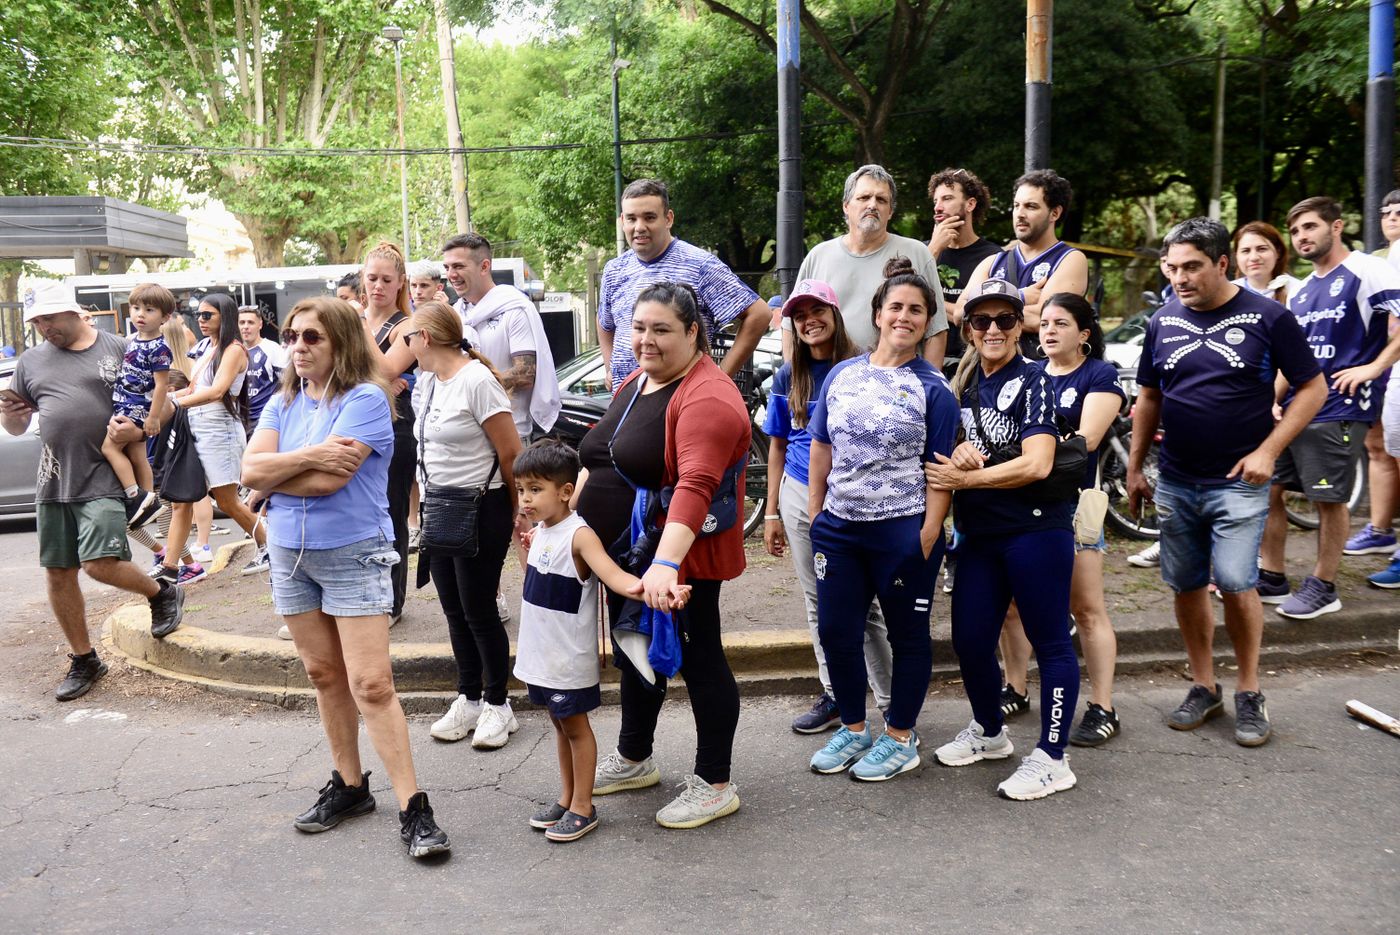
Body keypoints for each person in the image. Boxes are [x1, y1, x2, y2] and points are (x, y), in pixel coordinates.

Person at [241, 295, 449, 858]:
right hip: (289, 554)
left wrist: (273, 475)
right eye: (292, 336)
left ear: (340, 343)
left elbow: (328, 484)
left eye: (313, 337)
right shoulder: (283, 402)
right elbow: (247, 469)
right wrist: (305, 459)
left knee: (372, 685)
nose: (299, 347)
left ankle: (413, 808)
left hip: (355, 552)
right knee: (322, 675)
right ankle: (351, 787)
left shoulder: (365, 400)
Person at [1127, 217, 1326, 747]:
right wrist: (1134, 465)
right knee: (1186, 583)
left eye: (1191, 266)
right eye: (1171, 268)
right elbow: (1149, 396)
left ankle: (1249, 690)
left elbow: (1313, 388)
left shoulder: (1269, 317)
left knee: (1237, 582)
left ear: (1222, 263)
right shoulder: (1163, 319)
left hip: (1239, 480)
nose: (1179, 279)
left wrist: (1269, 450)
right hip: (1175, 480)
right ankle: (1203, 684)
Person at [580, 281, 751, 829]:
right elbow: (604, 457)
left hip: (681, 555)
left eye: (661, 330)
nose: (645, 340)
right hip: (634, 550)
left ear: (693, 332)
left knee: (701, 660)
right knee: (637, 650)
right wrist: (564, 525)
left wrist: (664, 564)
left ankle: (715, 782)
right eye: (638, 327)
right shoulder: (638, 379)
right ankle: (635, 757)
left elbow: (696, 486)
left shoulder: (708, 397)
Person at [923, 278, 1080, 800]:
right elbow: (960, 450)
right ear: (967, 329)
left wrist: (964, 478)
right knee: (970, 640)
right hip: (980, 535)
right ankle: (990, 733)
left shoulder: (1035, 379)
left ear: (1020, 327)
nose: (993, 329)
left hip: (1035, 530)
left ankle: (1053, 758)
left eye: (1005, 320)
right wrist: (964, 454)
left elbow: (1037, 464)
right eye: (981, 320)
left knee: (1051, 641)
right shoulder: (962, 384)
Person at [805, 258, 958, 781]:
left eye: (916, 310)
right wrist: (816, 512)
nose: (904, 316)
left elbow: (940, 470)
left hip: (902, 528)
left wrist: (928, 532)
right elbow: (821, 445)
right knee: (836, 631)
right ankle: (852, 727)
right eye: (895, 306)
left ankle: (900, 735)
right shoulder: (843, 375)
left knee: (907, 634)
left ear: (926, 321)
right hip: (839, 529)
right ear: (876, 314)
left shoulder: (934, 388)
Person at [2, 281, 185, 701]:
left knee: (100, 563)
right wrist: (10, 413)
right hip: (54, 480)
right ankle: (85, 658)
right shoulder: (30, 362)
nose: (45, 327)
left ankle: (162, 592)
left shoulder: (122, 346)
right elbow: (15, 426)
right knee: (58, 571)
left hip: (106, 473)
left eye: (50, 317)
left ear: (74, 312)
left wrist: (140, 427)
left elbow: (168, 400)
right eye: (37, 321)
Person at [512, 440, 690, 842]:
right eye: (522, 489)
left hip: (566, 657)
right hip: (540, 653)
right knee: (559, 726)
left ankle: (583, 807)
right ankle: (566, 797)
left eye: (535, 489)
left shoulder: (580, 535)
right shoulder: (543, 530)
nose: (526, 498)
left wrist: (656, 590)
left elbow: (616, 578)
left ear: (565, 492)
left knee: (575, 728)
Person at [762, 279, 894, 734]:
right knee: (818, 600)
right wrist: (772, 512)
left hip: (853, 494)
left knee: (868, 606)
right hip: (800, 493)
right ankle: (836, 695)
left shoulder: (863, 366)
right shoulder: (787, 376)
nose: (809, 321)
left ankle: (892, 700)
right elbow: (777, 446)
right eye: (800, 316)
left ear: (835, 315)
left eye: (817, 311)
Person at [1258, 197, 1400, 618]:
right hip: (1298, 405)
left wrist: (1373, 367)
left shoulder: (1368, 270)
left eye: (1310, 227)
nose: (1302, 236)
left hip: (1340, 405)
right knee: (1268, 488)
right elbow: (1297, 357)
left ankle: (1323, 585)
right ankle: (1273, 576)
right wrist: (1274, 397)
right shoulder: (1302, 291)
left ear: (1336, 227)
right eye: (1297, 230)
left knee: (1328, 499)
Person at [998, 294, 1126, 747]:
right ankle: (1014, 688)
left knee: (1085, 609)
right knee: (1011, 606)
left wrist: (1028, 450)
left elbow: (1084, 443)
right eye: (1045, 323)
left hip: (1072, 509)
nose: (1049, 331)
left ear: (1084, 333)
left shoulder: (1099, 375)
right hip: (1017, 504)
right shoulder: (1027, 372)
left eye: (1062, 323)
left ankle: (1103, 706)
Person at [407, 301, 527, 749]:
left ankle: (499, 704)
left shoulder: (476, 380)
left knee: (478, 610)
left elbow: (510, 453)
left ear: (428, 338)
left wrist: (518, 512)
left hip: (482, 506)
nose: (405, 345)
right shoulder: (430, 380)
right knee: (454, 610)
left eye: (408, 337)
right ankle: (469, 696)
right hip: (442, 507)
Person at [598, 178, 770, 391]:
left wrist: (719, 379)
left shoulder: (700, 265)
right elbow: (605, 324)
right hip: (625, 399)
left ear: (668, 219)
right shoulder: (614, 270)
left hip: (681, 402)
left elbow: (760, 314)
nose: (639, 227)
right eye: (632, 219)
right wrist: (610, 368)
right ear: (622, 221)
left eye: (649, 217)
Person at [156, 294, 268, 583]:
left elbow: (218, 391)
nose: (202, 321)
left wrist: (175, 403)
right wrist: (161, 401)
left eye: (208, 316)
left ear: (224, 317)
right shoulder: (208, 348)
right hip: (197, 428)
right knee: (182, 500)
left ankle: (269, 547)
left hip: (220, 431)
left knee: (227, 501)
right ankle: (173, 567)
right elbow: (193, 387)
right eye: (200, 316)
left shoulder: (233, 350)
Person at [790, 164, 948, 363]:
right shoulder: (819, 256)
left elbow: (936, 330)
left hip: (897, 381)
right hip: (828, 380)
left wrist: (929, 386)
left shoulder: (917, 253)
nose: (872, 205)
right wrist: (795, 379)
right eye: (864, 197)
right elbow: (791, 327)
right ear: (846, 206)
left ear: (890, 211)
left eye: (881, 199)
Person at [445, 232, 561, 441]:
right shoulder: (454, 314)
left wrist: (469, 387)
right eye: (447, 268)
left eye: (459, 266)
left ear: (484, 266)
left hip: (510, 433)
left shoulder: (514, 309)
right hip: (466, 434)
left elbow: (525, 374)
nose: (451, 274)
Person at [962, 169, 1089, 359]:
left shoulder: (1070, 259)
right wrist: (1021, 296)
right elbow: (960, 311)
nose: (1020, 214)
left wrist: (984, 314)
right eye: (1016, 206)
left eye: (1031, 206)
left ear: (1054, 213)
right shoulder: (993, 261)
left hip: (1042, 374)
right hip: (990, 374)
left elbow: (1043, 319)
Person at [359, 241, 419, 623]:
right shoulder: (357, 320)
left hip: (396, 428)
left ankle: (393, 602)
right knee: (358, 515)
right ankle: (361, 595)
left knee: (393, 512)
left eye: (385, 279)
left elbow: (384, 370)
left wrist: (357, 327)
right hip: (355, 425)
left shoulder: (409, 325)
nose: (377, 286)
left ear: (400, 283)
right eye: (371, 278)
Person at [1345, 192, 1400, 563]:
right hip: (1383, 366)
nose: (1392, 217)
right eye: (1386, 212)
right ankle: (1380, 530)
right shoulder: (1375, 260)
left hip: (1386, 364)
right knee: (1379, 446)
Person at [101, 282, 173, 530]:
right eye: (136, 308)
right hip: (126, 404)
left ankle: (135, 495)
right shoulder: (133, 340)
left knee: (109, 449)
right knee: (137, 455)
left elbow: (161, 386)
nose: (140, 314)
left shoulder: (159, 347)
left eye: (150, 309)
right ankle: (148, 500)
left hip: (135, 407)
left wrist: (153, 418)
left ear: (165, 317)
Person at [927, 167, 1002, 367]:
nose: (938, 207)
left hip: (970, 362)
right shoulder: (924, 250)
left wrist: (928, 304)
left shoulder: (993, 256)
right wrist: (933, 249)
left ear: (970, 204)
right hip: (924, 359)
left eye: (947, 199)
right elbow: (903, 297)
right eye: (936, 201)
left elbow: (969, 316)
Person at [238, 304, 287, 432]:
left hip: (263, 419)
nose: (246, 327)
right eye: (242, 322)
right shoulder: (234, 350)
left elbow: (289, 382)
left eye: (250, 322)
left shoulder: (272, 349)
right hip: (239, 419)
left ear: (260, 324)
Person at [1232, 221, 1303, 305]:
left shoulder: (1298, 290)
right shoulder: (1228, 294)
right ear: (1236, 256)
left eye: (1262, 249)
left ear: (1278, 252)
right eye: (1246, 251)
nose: (1254, 257)